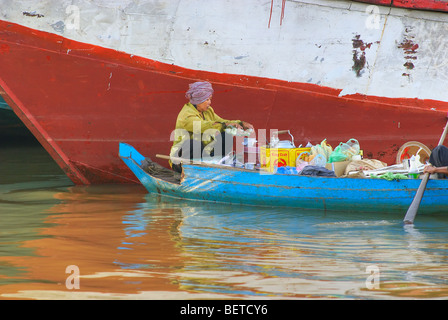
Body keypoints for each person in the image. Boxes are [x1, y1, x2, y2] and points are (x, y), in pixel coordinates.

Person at [170, 81, 254, 173]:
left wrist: (240, 123)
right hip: (182, 158)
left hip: (204, 154)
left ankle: (217, 166)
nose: (209, 102)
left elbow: (222, 122)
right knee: (193, 143)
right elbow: (204, 126)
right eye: (207, 100)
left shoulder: (208, 111)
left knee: (226, 135)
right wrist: (225, 125)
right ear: (198, 100)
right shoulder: (186, 116)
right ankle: (186, 171)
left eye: (210, 99)